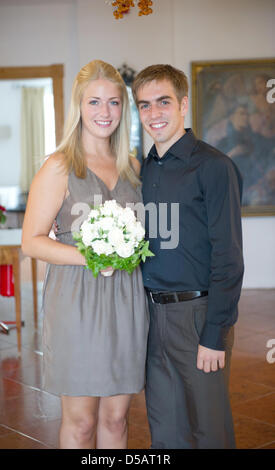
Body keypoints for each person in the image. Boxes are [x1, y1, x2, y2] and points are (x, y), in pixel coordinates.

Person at [22, 60, 149, 449]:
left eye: (113, 103)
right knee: (80, 424)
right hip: (76, 301)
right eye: (94, 102)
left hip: (126, 300)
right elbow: (31, 241)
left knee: (116, 417)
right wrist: (93, 258)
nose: (104, 113)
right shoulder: (60, 167)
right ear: (79, 106)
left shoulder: (133, 168)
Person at [132, 64, 244, 449]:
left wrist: (215, 334)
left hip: (198, 317)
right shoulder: (143, 169)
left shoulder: (214, 167)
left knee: (209, 431)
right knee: (165, 430)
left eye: (163, 102)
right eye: (144, 105)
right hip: (151, 315)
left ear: (182, 104)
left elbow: (229, 258)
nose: (154, 114)